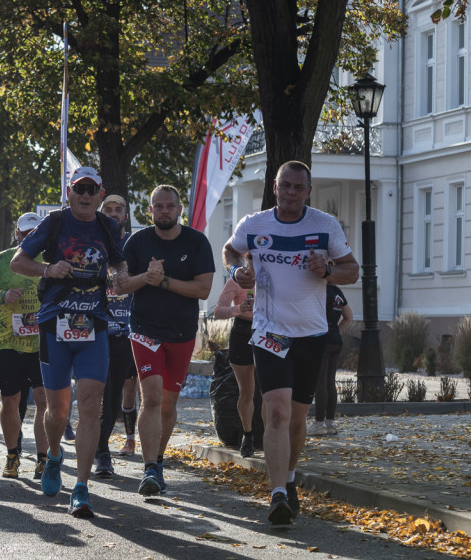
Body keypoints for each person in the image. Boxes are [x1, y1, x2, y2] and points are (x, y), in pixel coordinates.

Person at [223, 160, 359, 526]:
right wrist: (238, 271)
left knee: (298, 420)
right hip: (269, 331)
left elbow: (352, 269)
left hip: (311, 334)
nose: (291, 193)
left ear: (308, 192)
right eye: (285, 186)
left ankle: (289, 476)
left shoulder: (323, 226)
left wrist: (328, 270)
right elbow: (230, 250)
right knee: (277, 411)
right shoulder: (254, 225)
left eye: (299, 188)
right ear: (275, 187)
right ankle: (277, 494)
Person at [10, 167, 127, 518]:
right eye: (80, 189)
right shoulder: (54, 223)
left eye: (92, 189)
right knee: (58, 409)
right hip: (54, 325)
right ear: (70, 191)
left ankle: (81, 487)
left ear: (100, 192)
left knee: (91, 404)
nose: (86, 195)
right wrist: (48, 269)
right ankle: (55, 455)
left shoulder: (108, 226)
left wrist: (121, 276)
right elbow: (19, 262)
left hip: (94, 323)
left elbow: (120, 263)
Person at [115, 185, 214, 496]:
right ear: (150, 211)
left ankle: (158, 458)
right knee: (153, 398)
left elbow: (202, 290)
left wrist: (166, 281)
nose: (164, 211)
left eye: (170, 206)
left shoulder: (196, 242)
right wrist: (147, 277)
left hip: (182, 332)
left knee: (169, 405)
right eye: (158, 206)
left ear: (179, 209)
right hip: (145, 328)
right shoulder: (138, 242)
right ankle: (150, 470)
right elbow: (120, 286)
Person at [0, 212, 49, 479]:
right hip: (7, 340)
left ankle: (43, 459)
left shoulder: (50, 260)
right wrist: (1, 295)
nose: (29, 238)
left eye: (35, 234)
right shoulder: (2, 260)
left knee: (44, 400)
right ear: (17, 235)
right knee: (10, 400)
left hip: (42, 340)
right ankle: (12, 455)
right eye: (24, 234)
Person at [94, 194, 139, 478]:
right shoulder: (92, 241)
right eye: (107, 210)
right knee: (102, 393)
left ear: (125, 215)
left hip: (127, 331)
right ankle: (101, 453)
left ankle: (106, 447)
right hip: (96, 330)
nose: (112, 214)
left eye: (117, 210)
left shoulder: (134, 245)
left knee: (115, 397)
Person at [213, 273, 257, 457]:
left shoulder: (276, 275)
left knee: (273, 393)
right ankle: (248, 435)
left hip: (271, 331)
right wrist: (239, 308)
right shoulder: (237, 280)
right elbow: (218, 311)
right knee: (247, 391)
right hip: (243, 332)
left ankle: (273, 435)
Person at [309, 283, 353, 437]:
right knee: (330, 381)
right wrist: (337, 331)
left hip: (321, 338)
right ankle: (330, 423)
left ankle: (319, 424)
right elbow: (349, 317)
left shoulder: (319, 290)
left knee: (320, 382)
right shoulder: (338, 292)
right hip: (335, 339)